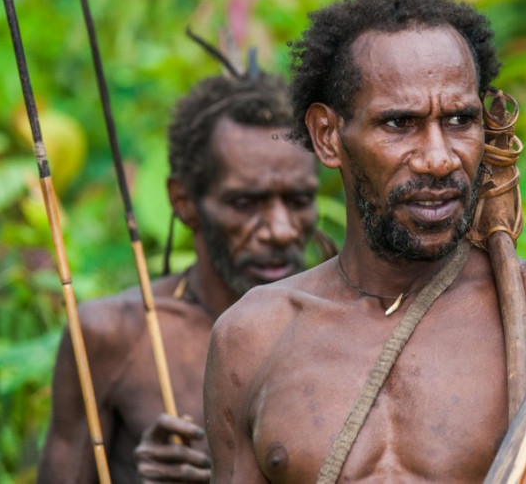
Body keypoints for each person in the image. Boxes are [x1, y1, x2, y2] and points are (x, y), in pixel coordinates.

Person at [203, 0, 526, 483]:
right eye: (399, 124)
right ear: (328, 136)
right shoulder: (254, 336)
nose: (440, 159)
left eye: (460, 120)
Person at [38, 69, 322, 483]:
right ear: (184, 202)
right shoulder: (114, 336)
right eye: (246, 202)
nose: (280, 230)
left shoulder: (347, 326)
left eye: (298, 200)